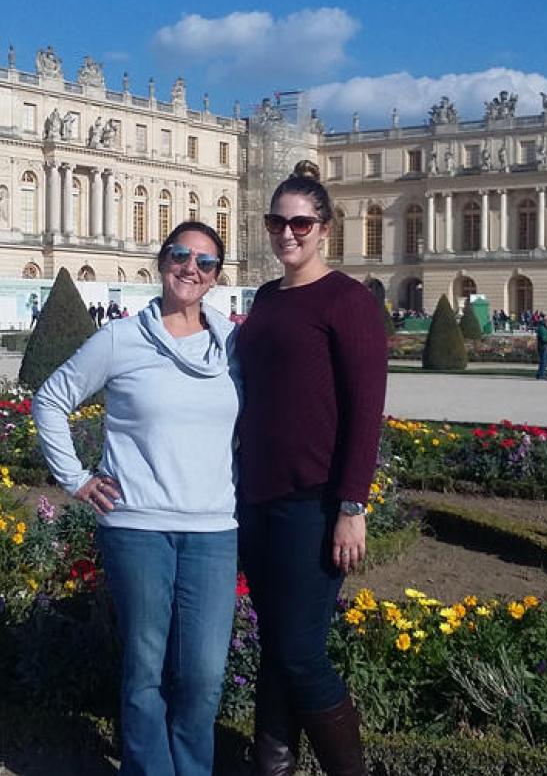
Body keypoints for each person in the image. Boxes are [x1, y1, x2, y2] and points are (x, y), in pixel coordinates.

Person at [33, 221, 239, 776]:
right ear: (161, 260)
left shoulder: (232, 345)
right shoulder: (121, 339)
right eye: (181, 255)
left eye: (205, 262)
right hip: (137, 527)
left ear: (217, 276)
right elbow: (51, 399)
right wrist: (76, 478)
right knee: (146, 667)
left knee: (203, 673)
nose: (191, 268)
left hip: (215, 529)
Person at [235, 162, 387, 776]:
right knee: (274, 643)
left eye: (300, 222)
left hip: (315, 498)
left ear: (324, 228)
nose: (287, 233)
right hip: (258, 496)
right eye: (277, 221)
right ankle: (272, 766)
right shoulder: (268, 298)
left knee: (300, 653)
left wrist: (353, 507)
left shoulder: (347, 299)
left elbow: (365, 409)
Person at [535, 314, 547, 380]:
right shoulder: (542, 328)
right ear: (545, 322)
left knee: (542, 360)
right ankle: (542, 374)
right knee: (544, 360)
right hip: (543, 345)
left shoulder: (543, 327)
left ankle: (539, 374)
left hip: (542, 345)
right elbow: (544, 338)